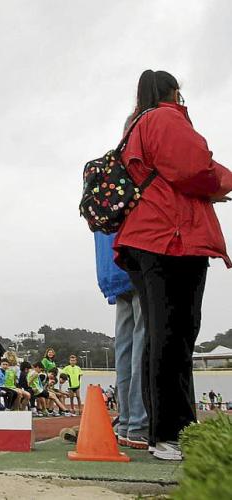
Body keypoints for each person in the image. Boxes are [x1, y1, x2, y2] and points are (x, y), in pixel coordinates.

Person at [114, 70, 232, 461]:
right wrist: (223, 182)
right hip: (172, 238)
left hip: (147, 238)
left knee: (161, 336)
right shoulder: (165, 118)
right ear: (174, 91)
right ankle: (171, 432)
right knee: (175, 336)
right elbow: (193, 167)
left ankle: (162, 431)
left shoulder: (137, 124)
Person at [94, 227, 148, 449]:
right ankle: (139, 424)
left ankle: (127, 423)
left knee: (125, 346)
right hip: (137, 255)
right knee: (143, 343)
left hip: (111, 264)